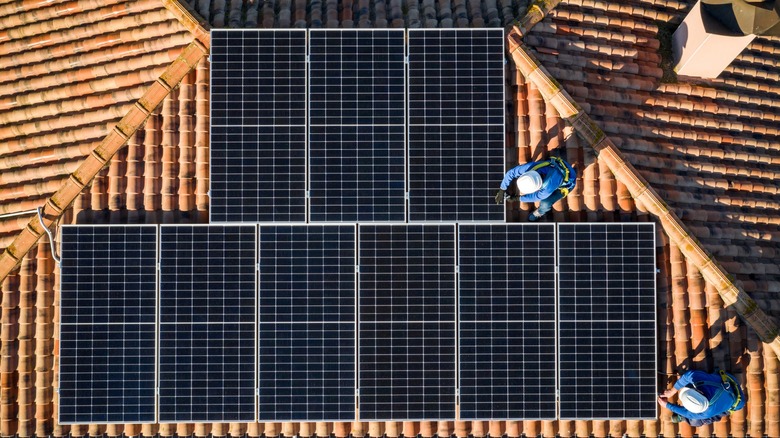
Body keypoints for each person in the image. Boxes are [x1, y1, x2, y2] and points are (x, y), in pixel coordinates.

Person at [494, 156, 576, 221]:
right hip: (558, 165)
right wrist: (502, 189)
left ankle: (538, 213)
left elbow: (535, 197)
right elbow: (511, 173)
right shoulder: (530, 167)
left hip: (569, 180)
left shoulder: (548, 187)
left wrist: (517, 198)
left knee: (545, 203)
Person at [657, 370, 746, 426]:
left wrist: (668, 405)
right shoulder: (700, 380)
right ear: (700, 392)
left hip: (736, 400)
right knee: (689, 383)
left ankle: (683, 418)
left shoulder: (706, 413)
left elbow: (687, 414)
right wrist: (672, 392)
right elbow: (688, 375)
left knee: (695, 421)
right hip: (730, 382)